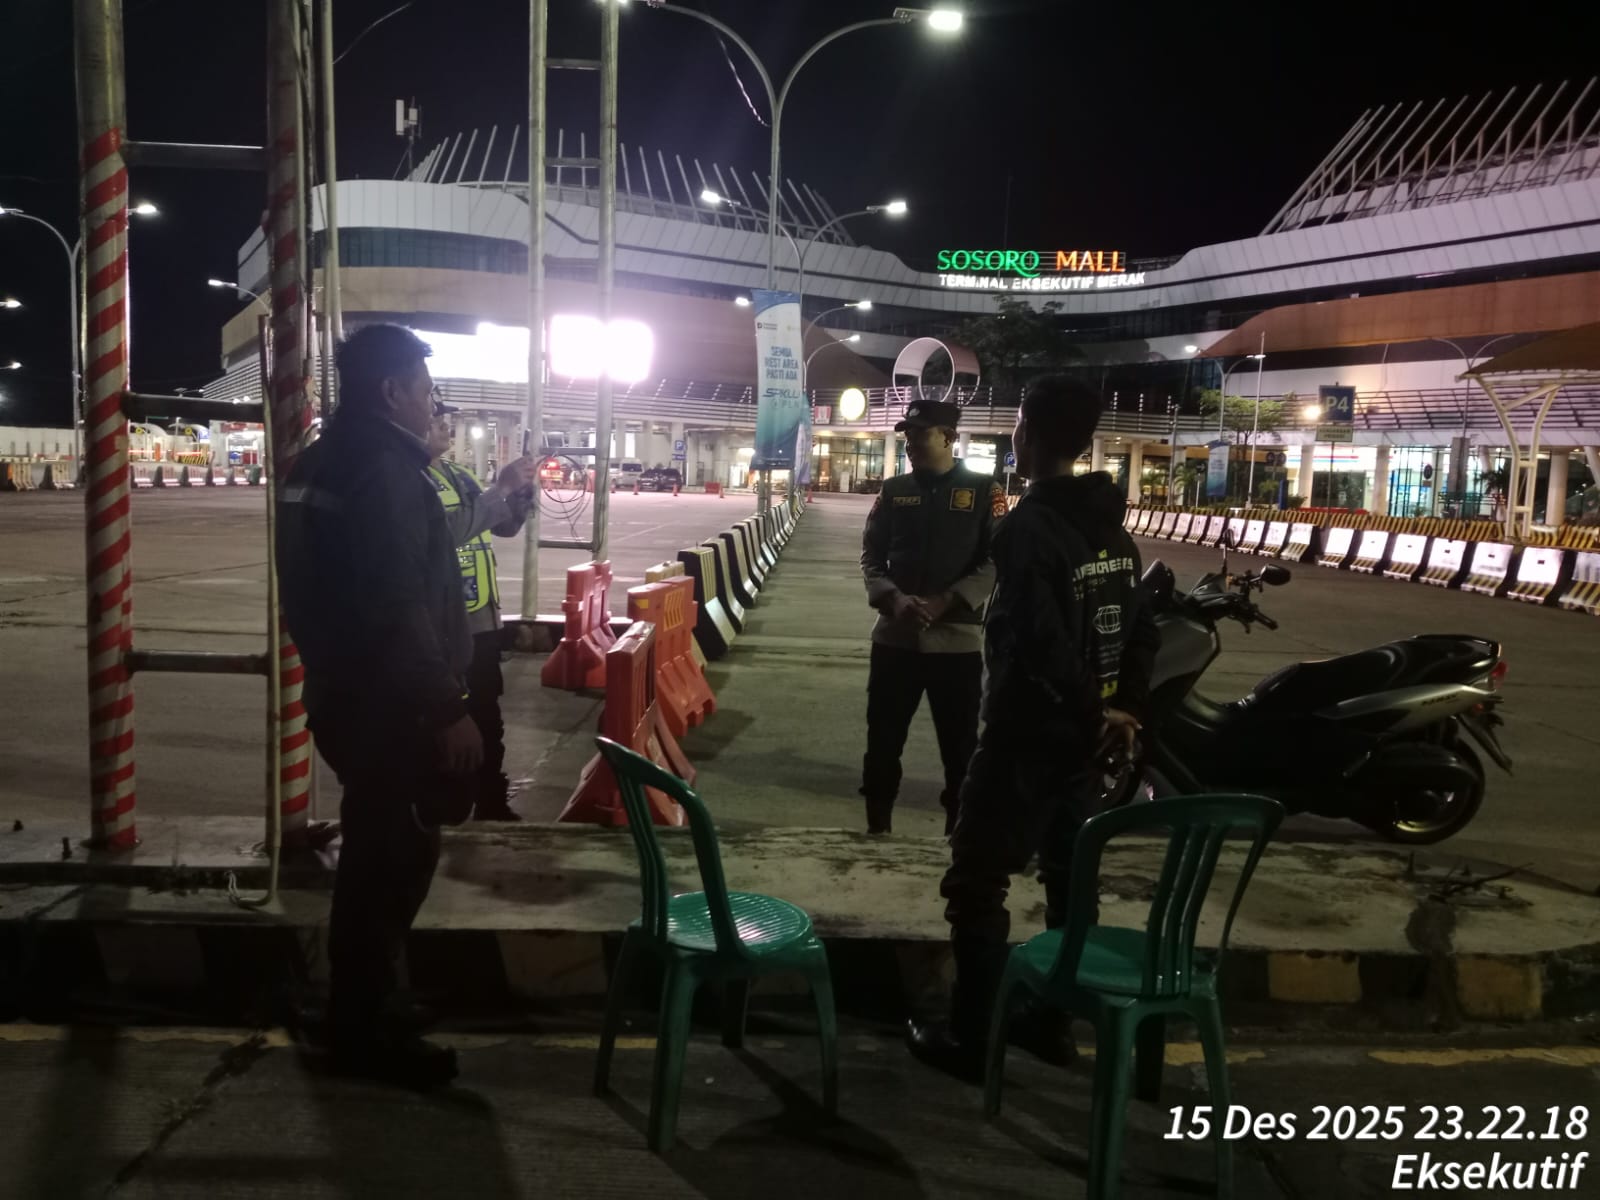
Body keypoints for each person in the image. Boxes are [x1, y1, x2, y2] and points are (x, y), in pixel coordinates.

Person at [907, 375, 1158, 1079]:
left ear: (1031, 435)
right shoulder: (1113, 529)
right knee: (1069, 883)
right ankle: (1051, 1024)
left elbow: (1038, 642)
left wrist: (1096, 710)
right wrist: (1122, 710)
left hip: (1023, 738)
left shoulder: (1028, 528)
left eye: (1019, 422)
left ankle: (972, 1039)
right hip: (1086, 746)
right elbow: (1142, 631)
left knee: (977, 881)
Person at [277, 323, 478, 1089]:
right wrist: (446, 707)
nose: (433, 403)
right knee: (390, 865)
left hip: (343, 693)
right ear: (392, 391)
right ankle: (365, 1031)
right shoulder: (383, 472)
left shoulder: (320, 460)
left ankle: (365, 1004)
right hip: (390, 708)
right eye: (426, 389)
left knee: (374, 856)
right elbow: (396, 604)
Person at [860, 399, 1007, 835]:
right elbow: (871, 556)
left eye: (920, 435)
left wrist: (948, 601)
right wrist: (893, 599)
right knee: (882, 742)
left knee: (960, 749)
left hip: (956, 645)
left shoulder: (984, 491)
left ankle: (955, 836)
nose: (911, 444)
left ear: (948, 437)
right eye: (907, 436)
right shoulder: (893, 491)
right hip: (895, 639)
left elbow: (996, 559)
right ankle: (877, 829)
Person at [424, 402, 534, 821]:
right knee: (447, 719)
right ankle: (447, 804)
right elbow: (446, 532)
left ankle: (491, 799)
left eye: (445, 419)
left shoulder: (458, 474)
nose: (444, 426)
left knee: (488, 714)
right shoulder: (412, 480)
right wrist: (501, 488)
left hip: (481, 618)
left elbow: (501, 526)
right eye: (435, 419)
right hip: (443, 625)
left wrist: (519, 496)